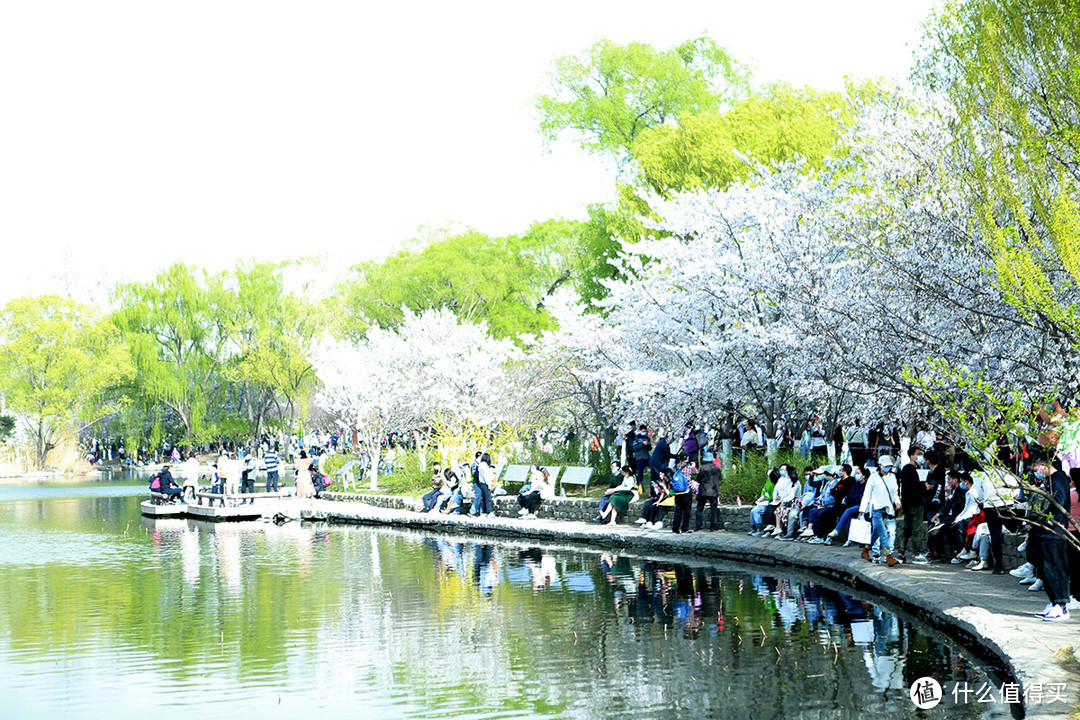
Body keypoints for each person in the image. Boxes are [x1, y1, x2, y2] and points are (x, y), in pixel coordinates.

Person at [1032, 458, 1072, 621]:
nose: (1035, 472)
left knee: (1055, 568)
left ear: (1043, 465)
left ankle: (1061, 605)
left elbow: (1059, 502)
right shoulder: (1050, 480)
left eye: (1035, 468)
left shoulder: (1059, 479)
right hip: (1045, 531)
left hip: (1054, 531)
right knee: (1045, 569)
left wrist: (1042, 508)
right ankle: (1053, 602)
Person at [860, 455, 900, 566]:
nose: (888, 468)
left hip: (888, 509)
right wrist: (863, 509)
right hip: (876, 508)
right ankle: (889, 556)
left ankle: (865, 550)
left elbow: (895, 493)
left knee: (876, 533)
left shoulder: (893, 477)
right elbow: (867, 494)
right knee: (883, 533)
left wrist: (897, 502)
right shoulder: (873, 478)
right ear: (880, 465)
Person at [898, 446, 929, 563]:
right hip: (915, 504)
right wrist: (924, 487)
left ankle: (901, 552)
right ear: (912, 456)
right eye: (918, 454)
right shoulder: (910, 469)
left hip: (907, 504)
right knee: (917, 530)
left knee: (906, 529)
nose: (920, 457)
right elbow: (913, 487)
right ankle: (916, 554)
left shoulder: (906, 469)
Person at [695, 459, 722, 531]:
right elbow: (720, 478)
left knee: (699, 509)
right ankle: (713, 527)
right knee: (714, 509)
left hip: (704, 491)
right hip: (714, 491)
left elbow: (698, 479)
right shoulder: (717, 469)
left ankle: (698, 526)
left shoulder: (702, 468)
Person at [670, 463, 692, 534]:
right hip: (686, 491)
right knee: (686, 511)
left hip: (677, 493)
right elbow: (697, 472)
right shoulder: (689, 467)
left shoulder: (675, 466)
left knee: (678, 511)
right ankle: (684, 528)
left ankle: (675, 528)